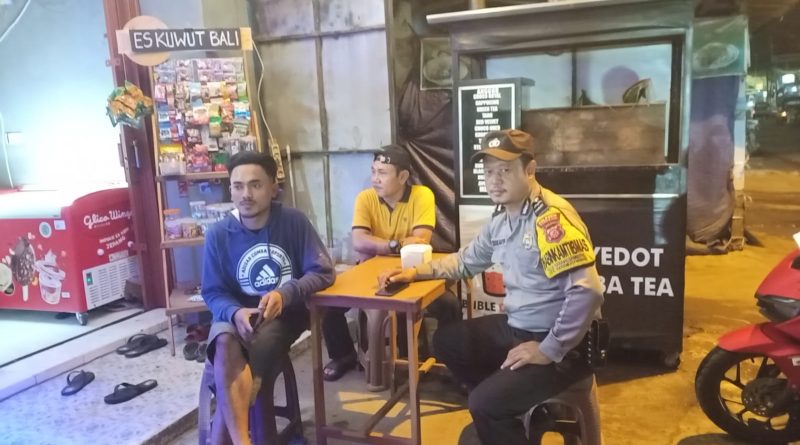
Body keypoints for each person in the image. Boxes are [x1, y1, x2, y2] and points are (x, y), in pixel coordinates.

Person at [379, 129, 604, 445]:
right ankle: (513, 411)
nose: (494, 180)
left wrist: (548, 350)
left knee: (483, 404)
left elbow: (587, 291)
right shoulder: (503, 219)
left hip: (564, 345)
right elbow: (466, 261)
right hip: (520, 328)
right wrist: (415, 272)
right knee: (448, 342)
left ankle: (498, 412)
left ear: (529, 170)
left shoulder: (549, 219)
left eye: (505, 171)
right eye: (488, 172)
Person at [202, 151, 335, 445]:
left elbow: (323, 272)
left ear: (273, 188)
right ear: (230, 189)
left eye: (256, 185)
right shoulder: (218, 234)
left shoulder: (293, 222)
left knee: (239, 358)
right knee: (224, 342)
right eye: (238, 186)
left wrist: (284, 294)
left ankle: (222, 439)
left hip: (285, 316)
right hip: (237, 315)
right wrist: (234, 312)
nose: (246, 194)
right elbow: (212, 291)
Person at [321, 144, 461, 381]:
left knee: (449, 304)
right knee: (329, 304)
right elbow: (358, 240)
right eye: (373, 171)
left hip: (411, 272)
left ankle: (448, 360)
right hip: (370, 272)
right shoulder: (366, 198)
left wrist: (377, 245)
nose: (375, 179)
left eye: (382, 173)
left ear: (403, 177)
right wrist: (396, 245)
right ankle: (343, 355)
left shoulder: (422, 195)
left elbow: (420, 241)